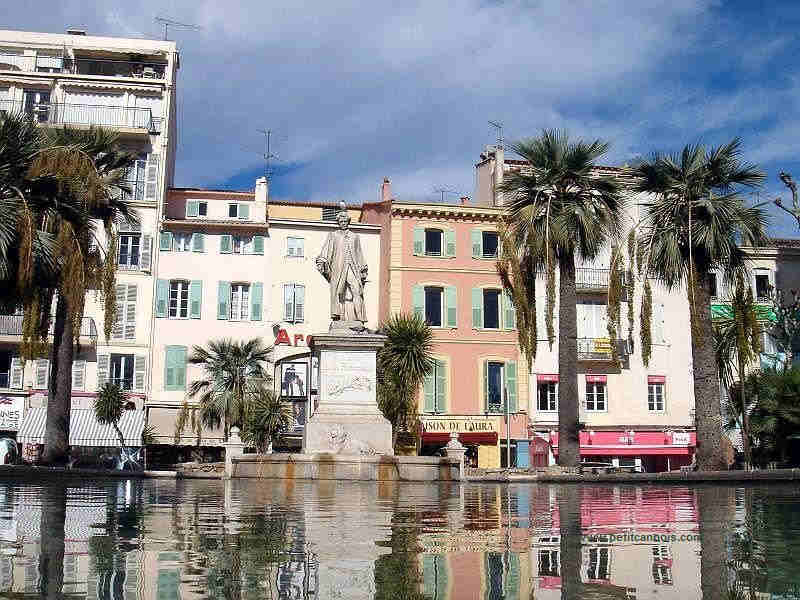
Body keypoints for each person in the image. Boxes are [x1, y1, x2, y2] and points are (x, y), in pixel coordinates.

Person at [315, 204, 368, 325]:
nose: (343, 223)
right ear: (338, 222)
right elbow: (326, 249)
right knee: (339, 293)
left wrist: (363, 268)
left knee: (357, 290)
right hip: (338, 267)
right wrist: (321, 261)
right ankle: (339, 317)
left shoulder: (355, 236)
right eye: (341, 221)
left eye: (345, 221)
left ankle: (359, 318)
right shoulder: (333, 235)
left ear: (348, 222)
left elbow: (359, 253)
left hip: (352, 268)